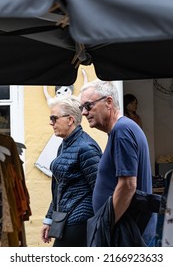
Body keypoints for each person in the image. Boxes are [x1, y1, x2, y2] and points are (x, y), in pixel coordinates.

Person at [79, 80, 157, 246]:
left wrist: (105, 224)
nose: (84, 113)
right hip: (127, 230)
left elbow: (128, 184)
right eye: (82, 108)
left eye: (88, 105)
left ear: (108, 102)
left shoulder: (122, 130)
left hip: (128, 233)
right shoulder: (121, 130)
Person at [41, 95, 102, 247]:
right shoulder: (65, 145)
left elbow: (99, 189)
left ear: (70, 120)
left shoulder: (86, 147)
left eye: (54, 118)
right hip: (65, 219)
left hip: (80, 222)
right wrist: (49, 219)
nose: (51, 123)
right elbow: (59, 186)